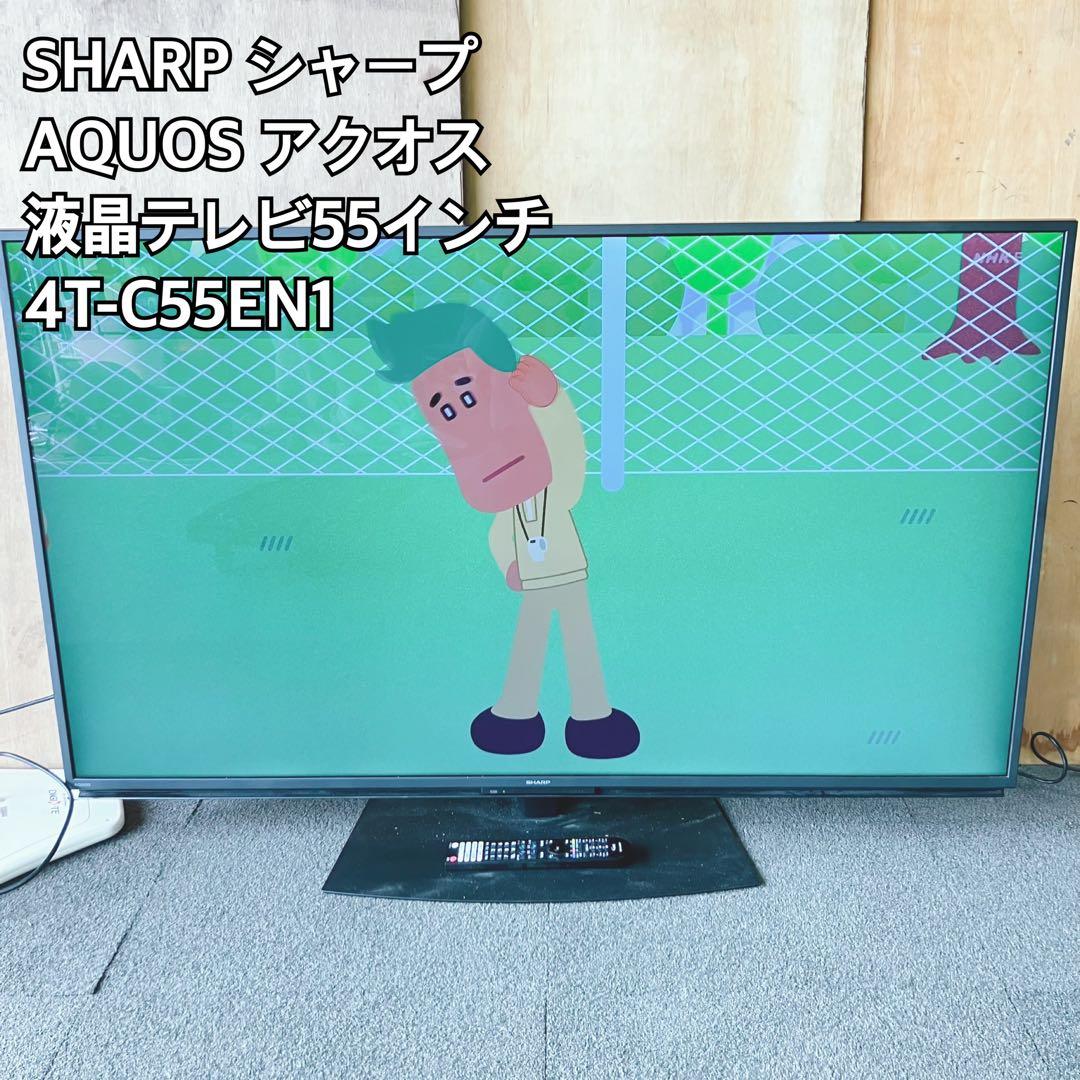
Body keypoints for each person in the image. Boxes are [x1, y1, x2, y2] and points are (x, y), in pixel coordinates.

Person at [367, 302, 639, 759]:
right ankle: (518, 713)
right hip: (533, 570)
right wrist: (509, 562)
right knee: (532, 638)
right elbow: (501, 527)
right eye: (445, 411)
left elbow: (568, 476)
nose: (462, 417)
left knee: (577, 636)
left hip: (566, 566)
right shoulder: (504, 494)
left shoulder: (550, 475)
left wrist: (550, 402)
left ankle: (591, 715)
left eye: (468, 397)